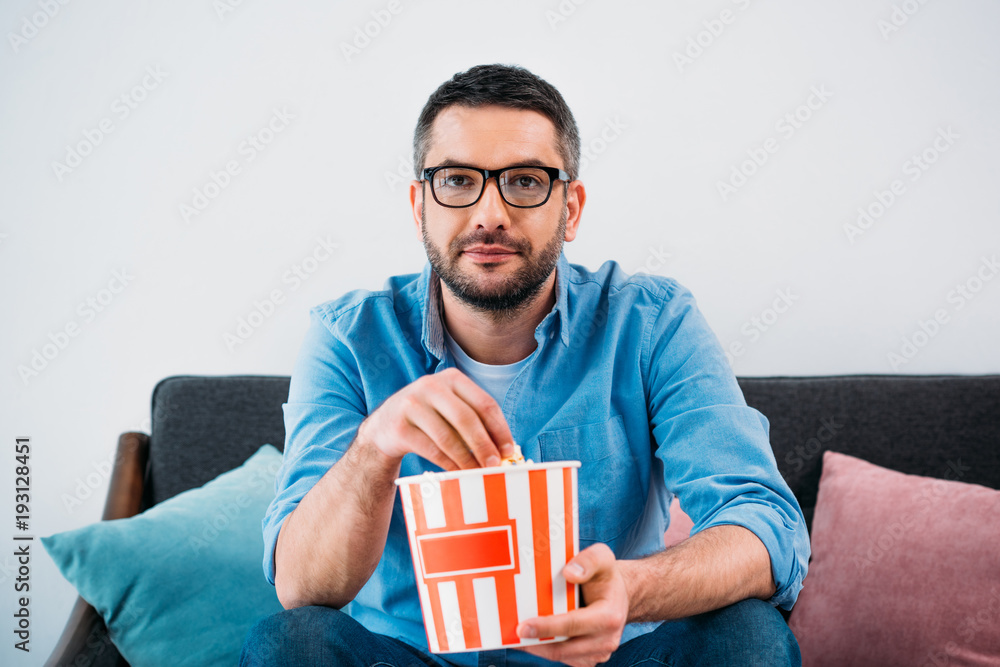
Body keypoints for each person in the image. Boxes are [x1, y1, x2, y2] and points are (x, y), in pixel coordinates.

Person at [241, 64, 810, 667]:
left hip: (608, 656)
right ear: (419, 206)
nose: (489, 213)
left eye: (525, 181)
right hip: (412, 659)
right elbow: (300, 588)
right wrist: (375, 449)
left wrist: (630, 589)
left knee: (749, 634)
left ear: (571, 207)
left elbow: (763, 523)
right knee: (289, 644)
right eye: (457, 180)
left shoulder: (651, 323)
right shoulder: (348, 338)